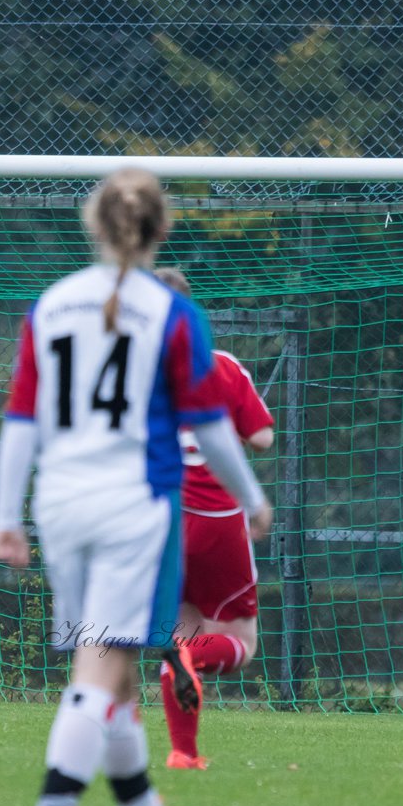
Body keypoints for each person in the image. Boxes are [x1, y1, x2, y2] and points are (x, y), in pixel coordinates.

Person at [0, 168, 273, 806]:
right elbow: (211, 428)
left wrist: (5, 513)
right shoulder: (173, 314)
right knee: (99, 663)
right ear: (160, 231)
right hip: (133, 507)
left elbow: (22, 422)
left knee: (110, 665)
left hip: (58, 503)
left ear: (92, 226)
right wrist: (253, 498)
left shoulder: (52, 304)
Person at [152, 267, 275, 771]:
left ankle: (184, 752)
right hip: (218, 518)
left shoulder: (131, 373)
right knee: (241, 640)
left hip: (159, 520)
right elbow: (263, 438)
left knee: (180, 630)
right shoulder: (220, 367)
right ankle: (189, 662)